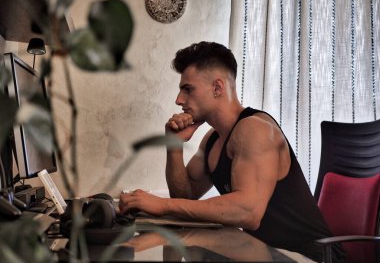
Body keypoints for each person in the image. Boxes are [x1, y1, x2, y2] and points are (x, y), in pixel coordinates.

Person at [119, 41, 345, 263]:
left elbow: (248, 213)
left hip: (309, 255)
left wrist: (161, 204)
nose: (179, 100)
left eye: (188, 89)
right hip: (263, 252)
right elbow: (185, 197)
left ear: (217, 87)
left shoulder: (255, 130)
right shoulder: (212, 138)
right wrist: (174, 148)